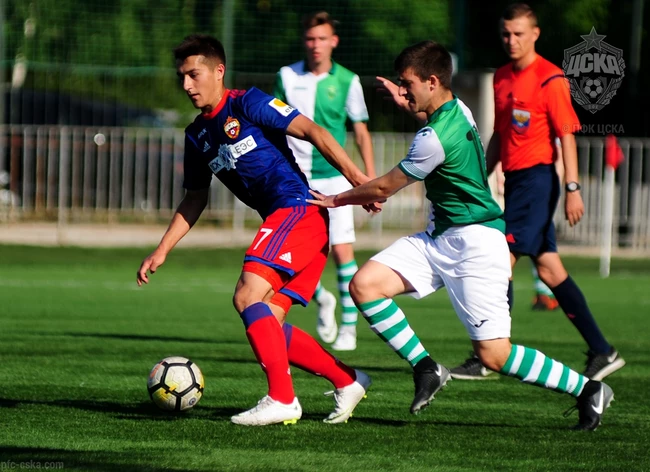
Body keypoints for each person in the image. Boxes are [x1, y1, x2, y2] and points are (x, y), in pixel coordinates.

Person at [309, 40, 614, 430]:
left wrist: (335, 199)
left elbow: (384, 187)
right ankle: (427, 368)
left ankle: (588, 389)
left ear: (432, 82)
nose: (402, 91)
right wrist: (409, 105)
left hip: (476, 245)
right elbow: (430, 135)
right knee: (365, 285)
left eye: (407, 84)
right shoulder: (457, 109)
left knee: (494, 356)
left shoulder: (435, 137)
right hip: (439, 238)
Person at [136, 34, 373, 426]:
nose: (187, 85)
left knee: (247, 296)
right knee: (269, 322)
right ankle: (347, 380)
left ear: (219, 71)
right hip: (295, 222)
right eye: (182, 77)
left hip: (297, 210)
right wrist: (162, 250)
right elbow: (194, 198)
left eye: (194, 75)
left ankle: (282, 398)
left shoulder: (248, 102)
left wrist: (357, 181)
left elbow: (313, 131)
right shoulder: (196, 136)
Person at [450, 3, 625, 381]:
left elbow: (567, 135)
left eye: (518, 33)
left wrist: (573, 188)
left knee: (500, 259)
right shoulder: (501, 77)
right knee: (549, 269)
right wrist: (480, 177)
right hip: (515, 183)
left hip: (539, 181)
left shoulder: (550, 78)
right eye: (506, 33)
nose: (511, 40)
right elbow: (500, 134)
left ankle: (489, 354)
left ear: (535, 34)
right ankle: (602, 350)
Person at [274, 11, 376, 351]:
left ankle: (349, 328)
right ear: (304, 41)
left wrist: (369, 180)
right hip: (294, 177)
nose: (315, 45)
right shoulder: (286, 76)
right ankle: (322, 298)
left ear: (334, 41)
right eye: (310, 39)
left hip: (335, 178)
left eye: (322, 39)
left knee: (342, 251)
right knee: (285, 251)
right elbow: (273, 123)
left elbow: (361, 131)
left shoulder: (348, 80)